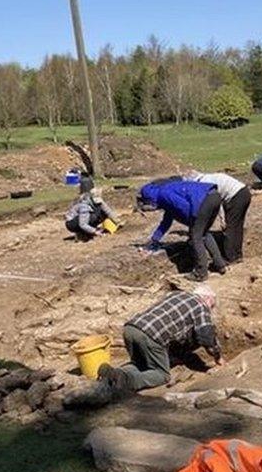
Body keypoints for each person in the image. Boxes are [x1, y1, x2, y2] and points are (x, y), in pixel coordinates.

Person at [65, 285, 224, 407]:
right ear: (208, 299)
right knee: (161, 374)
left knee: (140, 364)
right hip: (151, 335)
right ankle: (125, 380)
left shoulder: (177, 294)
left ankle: (115, 373)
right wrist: (218, 356)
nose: (210, 309)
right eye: (212, 306)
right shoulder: (200, 306)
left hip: (131, 328)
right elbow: (206, 336)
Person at [137, 180, 227, 281]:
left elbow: (183, 206)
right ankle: (220, 264)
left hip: (203, 200)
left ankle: (200, 273)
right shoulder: (165, 194)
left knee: (195, 237)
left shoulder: (163, 195)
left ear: (149, 199)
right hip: (214, 197)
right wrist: (155, 239)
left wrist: (193, 224)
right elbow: (166, 221)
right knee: (204, 233)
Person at [189, 171, 251, 263]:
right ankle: (237, 255)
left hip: (235, 196)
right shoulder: (209, 177)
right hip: (244, 192)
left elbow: (217, 201)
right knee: (237, 227)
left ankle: (230, 258)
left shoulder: (204, 183)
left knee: (230, 228)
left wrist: (222, 219)